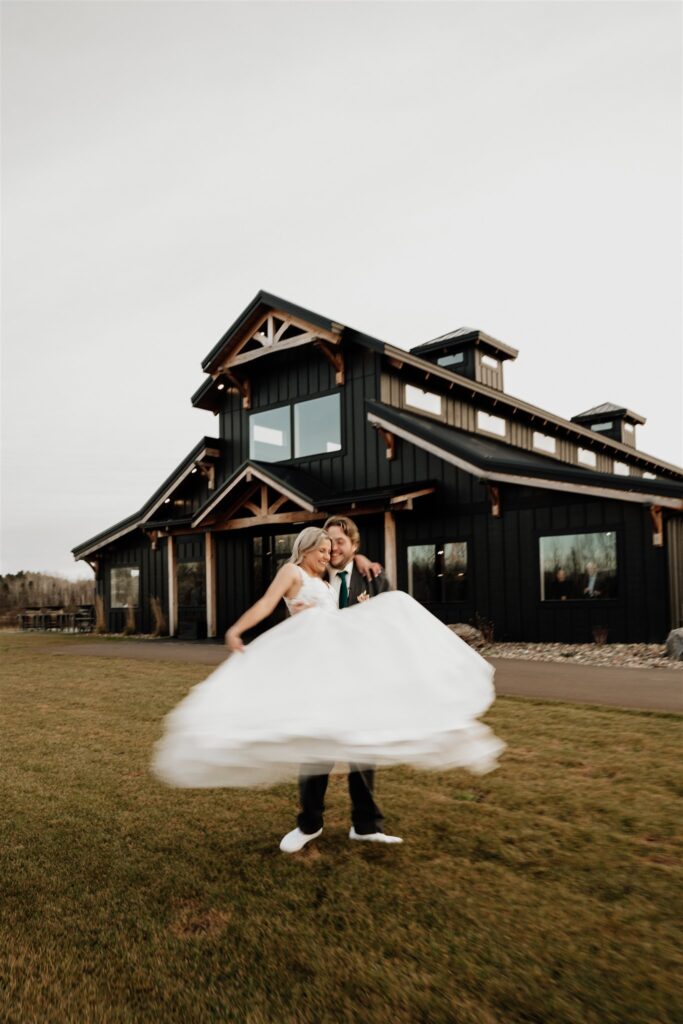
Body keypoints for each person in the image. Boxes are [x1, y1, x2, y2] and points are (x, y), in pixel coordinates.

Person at [152, 526, 504, 853]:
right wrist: (235, 630)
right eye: (321, 550)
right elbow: (267, 602)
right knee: (315, 743)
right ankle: (309, 825)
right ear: (304, 549)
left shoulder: (325, 581)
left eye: (329, 550)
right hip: (311, 670)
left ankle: (365, 825)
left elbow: (337, 614)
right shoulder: (292, 573)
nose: (326, 555)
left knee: (363, 741)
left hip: (340, 667)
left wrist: (362, 575)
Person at [280, 515, 398, 854]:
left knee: (364, 753)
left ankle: (366, 826)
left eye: (340, 542)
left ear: (355, 547)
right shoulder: (308, 577)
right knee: (317, 752)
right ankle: (309, 823)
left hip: (361, 679)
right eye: (328, 542)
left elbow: (386, 626)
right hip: (320, 679)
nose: (332, 548)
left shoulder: (372, 577)